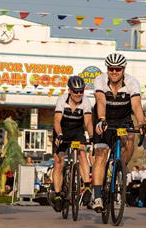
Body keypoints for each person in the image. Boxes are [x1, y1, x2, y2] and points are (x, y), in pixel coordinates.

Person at [92, 53, 146, 212]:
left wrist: (142, 123)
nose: (114, 72)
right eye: (111, 69)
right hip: (105, 117)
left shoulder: (132, 82)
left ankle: (120, 168)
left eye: (118, 69)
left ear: (123, 69)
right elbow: (101, 100)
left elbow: (136, 105)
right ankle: (97, 196)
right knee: (101, 153)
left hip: (123, 117)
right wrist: (102, 119)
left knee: (130, 138)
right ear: (107, 69)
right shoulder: (100, 80)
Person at [52, 76, 94, 212]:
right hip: (62, 130)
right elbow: (57, 121)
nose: (78, 94)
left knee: (82, 152)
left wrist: (92, 137)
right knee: (59, 162)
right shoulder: (62, 100)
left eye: (81, 91)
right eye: (76, 91)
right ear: (69, 90)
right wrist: (59, 135)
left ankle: (87, 186)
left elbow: (88, 122)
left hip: (77, 131)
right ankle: (58, 195)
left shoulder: (86, 102)